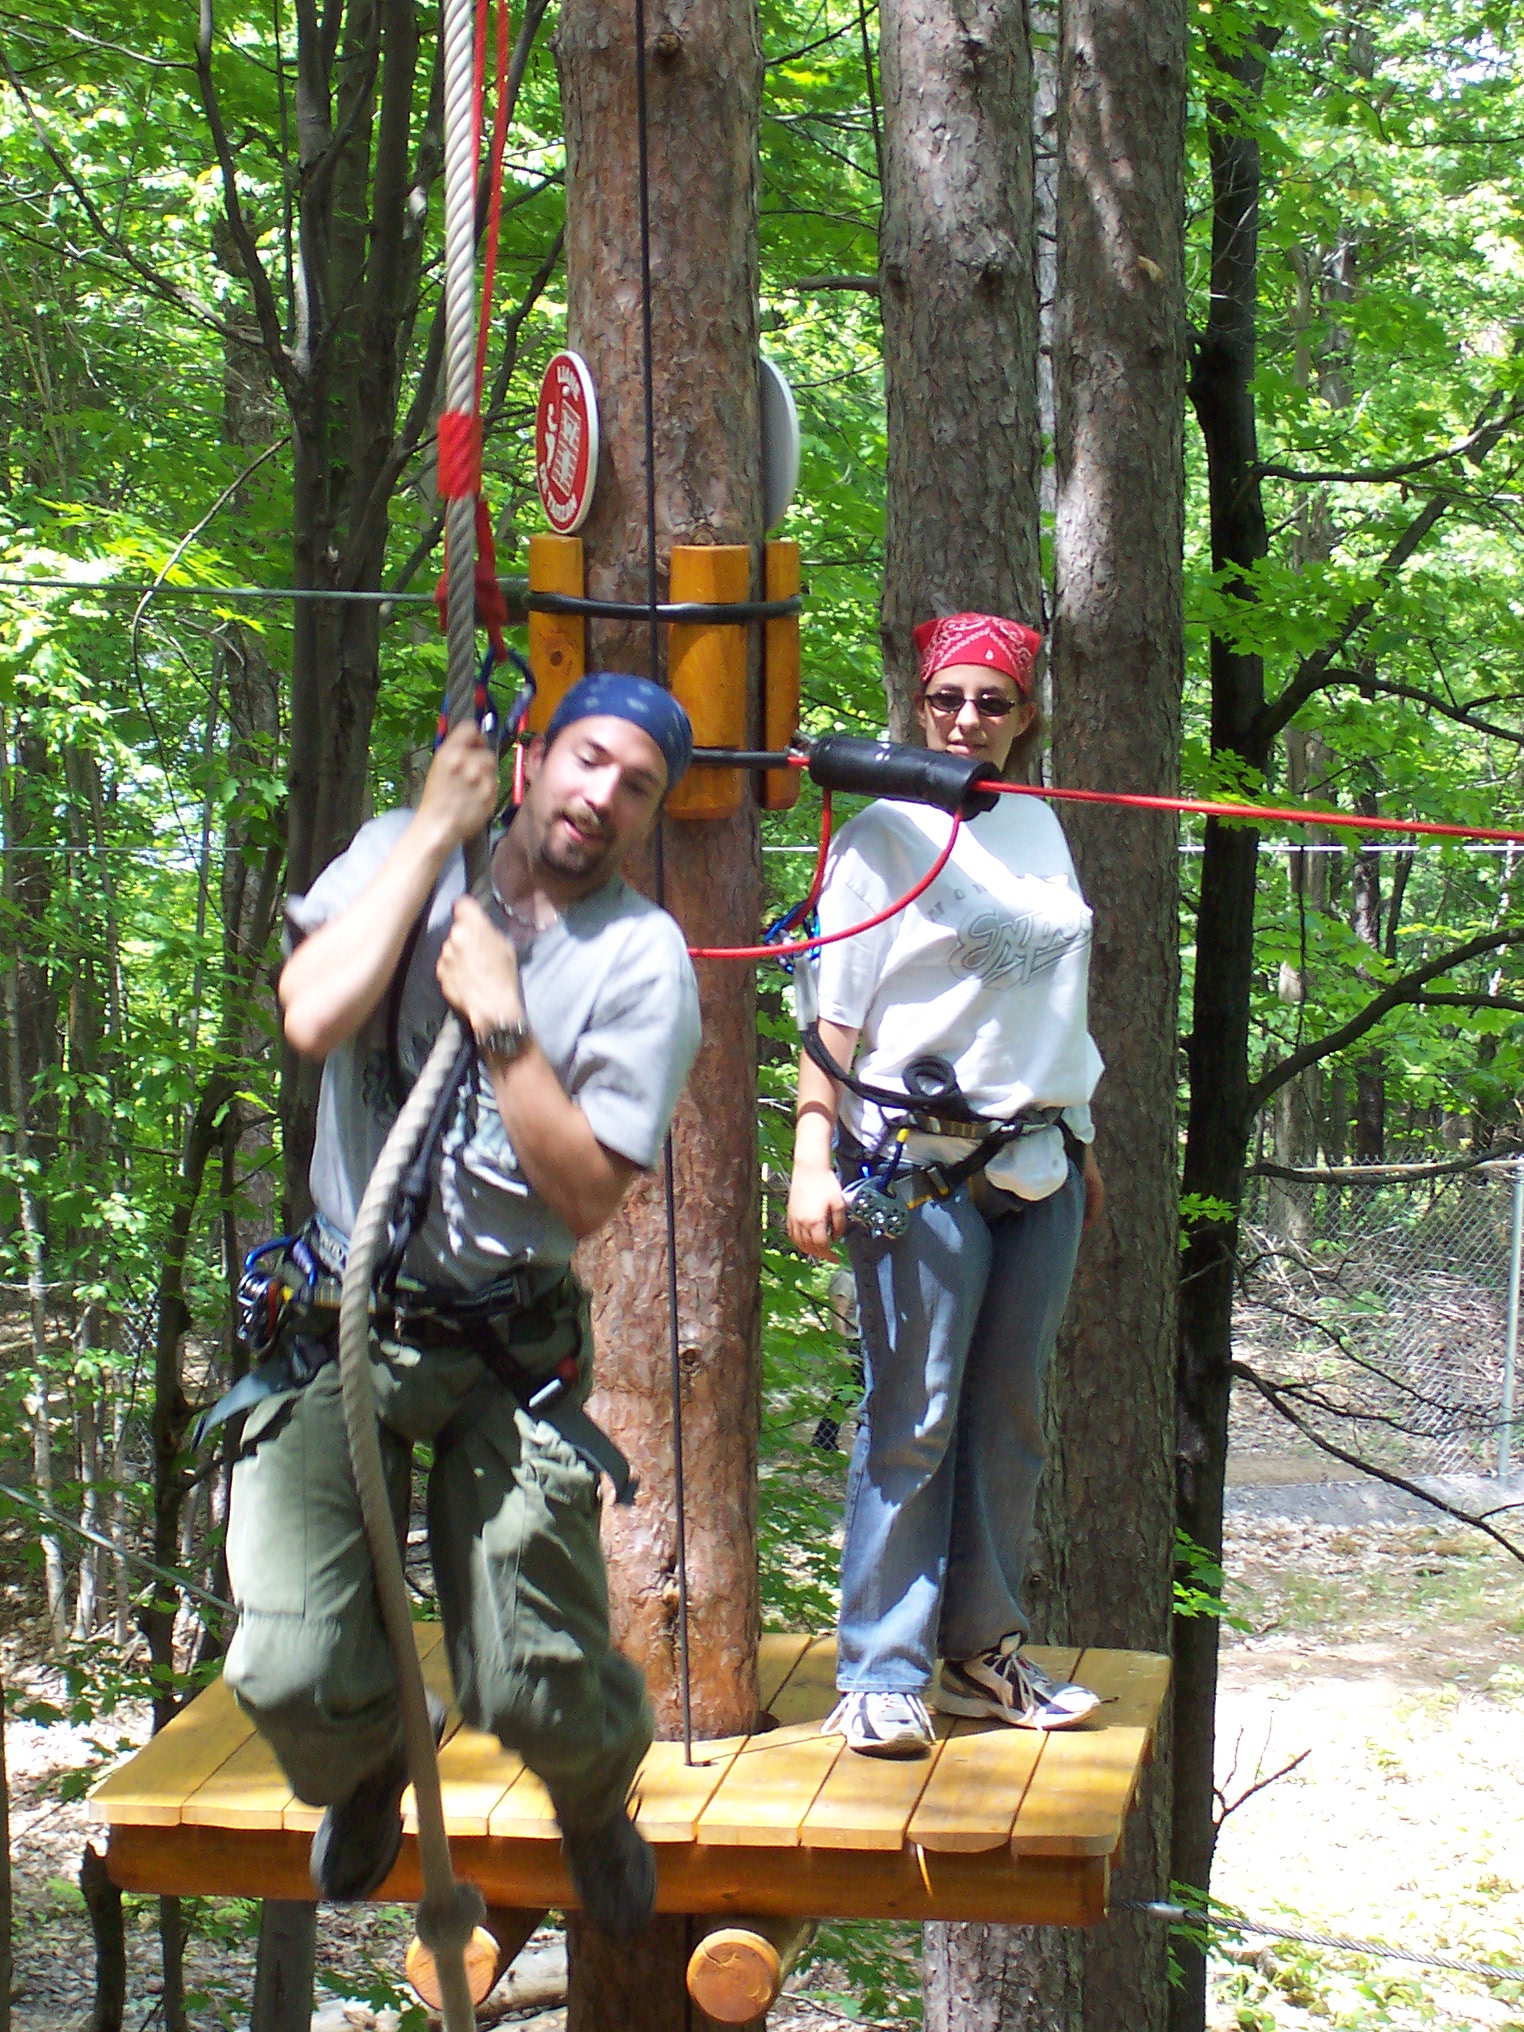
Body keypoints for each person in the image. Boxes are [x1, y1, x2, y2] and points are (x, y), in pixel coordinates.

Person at [222, 673, 701, 1932]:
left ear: (649, 815)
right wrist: (435, 833)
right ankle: (373, 1759)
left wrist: (500, 1017)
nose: (602, 796)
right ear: (530, 758)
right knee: (287, 1666)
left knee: (541, 1682)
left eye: (637, 785)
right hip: (341, 1312)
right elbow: (312, 1013)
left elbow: (586, 1193)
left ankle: (592, 1796)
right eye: (588, 759)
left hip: (505, 1338)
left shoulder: (639, 959)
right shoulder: (404, 851)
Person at [786, 612, 1106, 1758]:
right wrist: (810, 1160)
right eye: (947, 699)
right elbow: (832, 1019)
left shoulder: (1038, 823)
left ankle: (980, 1652)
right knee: (912, 1420)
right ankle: (879, 1671)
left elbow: (1050, 1008)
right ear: (918, 705)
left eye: (992, 702)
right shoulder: (884, 835)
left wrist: (1083, 1140)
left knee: (1011, 1420)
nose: (968, 719)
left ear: (1026, 717)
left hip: (1041, 1162)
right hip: (919, 1169)